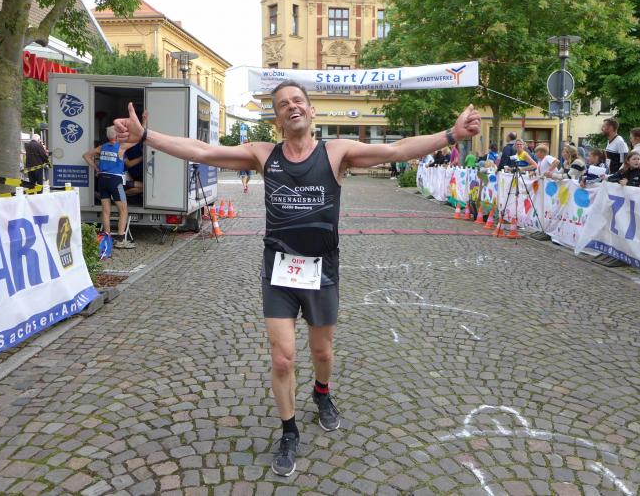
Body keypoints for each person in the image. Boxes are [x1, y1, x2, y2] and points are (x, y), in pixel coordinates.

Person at [113, 80, 482, 477]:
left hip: (322, 268)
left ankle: (322, 392)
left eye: (298, 101)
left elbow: (396, 150)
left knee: (322, 353)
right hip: (279, 268)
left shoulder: (336, 152)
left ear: (311, 110)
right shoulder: (263, 154)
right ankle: (289, 431)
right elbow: (202, 151)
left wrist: (451, 135)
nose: (292, 107)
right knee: (283, 357)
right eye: (283, 104)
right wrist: (147, 137)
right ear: (277, 118)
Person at [83, 125, 139, 249]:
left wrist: (97, 168)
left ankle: (107, 238)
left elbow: (86, 156)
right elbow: (137, 139)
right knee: (123, 210)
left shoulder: (102, 147)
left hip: (102, 180)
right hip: (115, 181)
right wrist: (144, 122)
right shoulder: (121, 147)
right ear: (117, 136)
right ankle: (120, 240)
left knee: (106, 211)